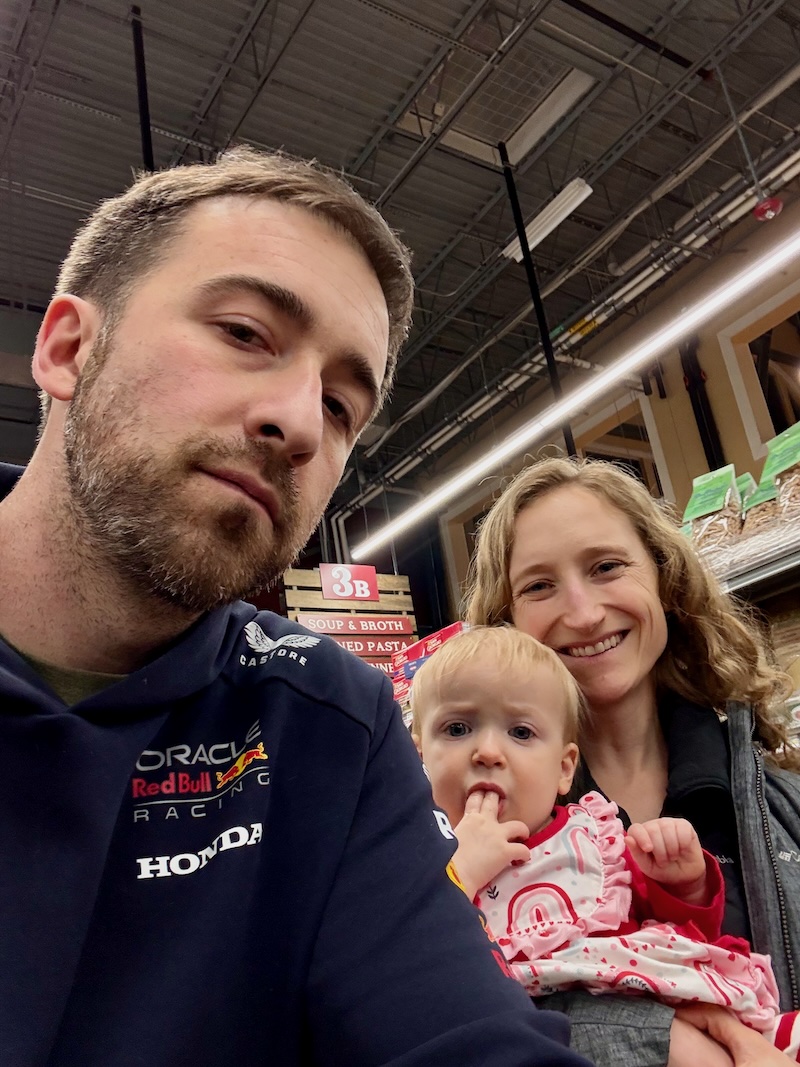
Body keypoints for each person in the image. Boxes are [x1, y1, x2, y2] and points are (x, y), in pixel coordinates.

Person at [0, 149, 593, 1066]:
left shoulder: (326, 718)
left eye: (342, 404)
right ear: (69, 349)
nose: (304, 424)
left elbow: (464, 1034)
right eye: (245, 332)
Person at [463, 454, 800, 1066]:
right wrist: (662, 1040)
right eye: (538, 586)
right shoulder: (474, 831)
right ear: (506, 623)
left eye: (607, 567)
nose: (584, 613)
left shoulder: (783, 803)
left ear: (665, 581)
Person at [410, 625, 800, 1061]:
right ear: (418, 756)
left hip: (670, 1005)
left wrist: (683, 886)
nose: (487, 752)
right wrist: (459, 872)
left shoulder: (594, 839)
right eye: (457, 728)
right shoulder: (412, 861)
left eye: (520, 732)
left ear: (564, 769)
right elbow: (407, 966)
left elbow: (681, 932)